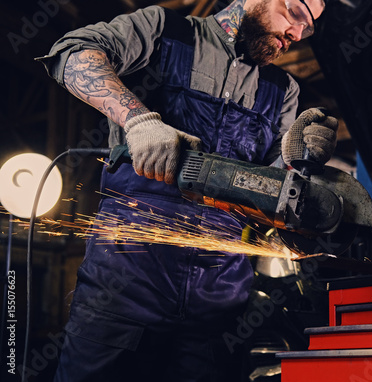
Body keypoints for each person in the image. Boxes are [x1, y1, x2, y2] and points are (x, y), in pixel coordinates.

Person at [38, 0, 337, 380]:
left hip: (218, 306)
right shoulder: (164, 30)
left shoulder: (284, 90)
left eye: (308, 30)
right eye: (294, 12)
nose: (297, 34)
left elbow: (273, 199)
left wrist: (300, 162)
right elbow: (71, 53)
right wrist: (138, 120)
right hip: (123, 289)